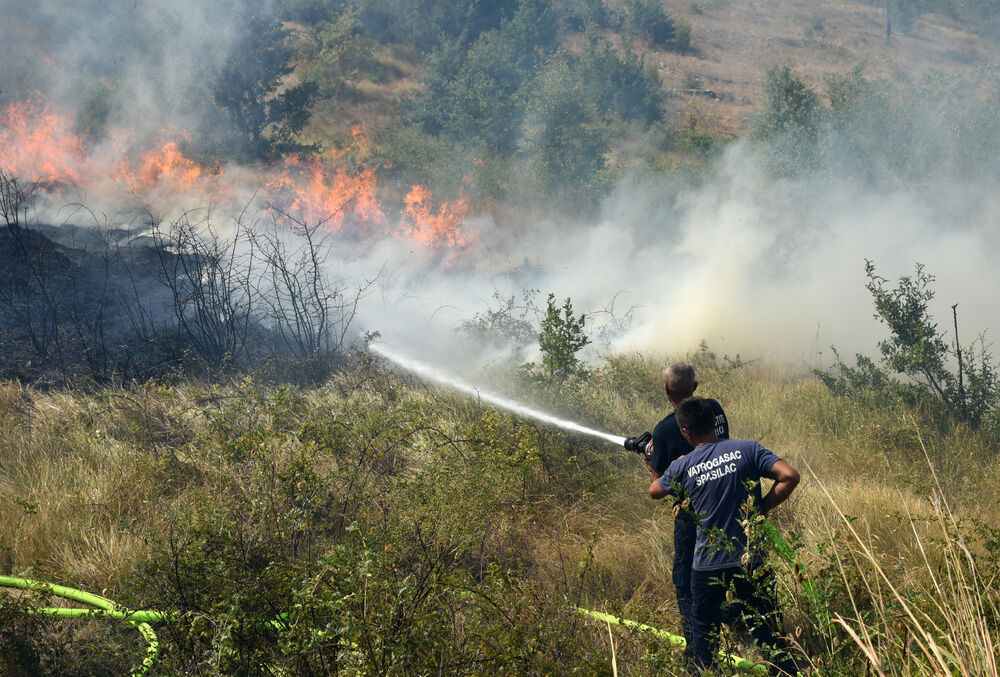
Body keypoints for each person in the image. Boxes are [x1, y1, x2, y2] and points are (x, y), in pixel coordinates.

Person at [650, 396, 799, 676]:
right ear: (714, 423)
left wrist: (659, 461)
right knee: (772, 640)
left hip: (706, 568)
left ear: (686, 433)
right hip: (751, 562)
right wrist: (760, 509)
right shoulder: (747, 448)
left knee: (705, 647)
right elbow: (789, 476)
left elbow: (654, 491)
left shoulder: (684, 465)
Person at [648, 363, 729, 651]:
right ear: (694, 388)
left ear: (666, 390)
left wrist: (651, 459)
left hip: (691, 517)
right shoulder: (714, 409)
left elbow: (657, 488)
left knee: (687, 581)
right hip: (727, 505)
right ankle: (732, 615)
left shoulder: (664, 430)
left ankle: (697, 649)